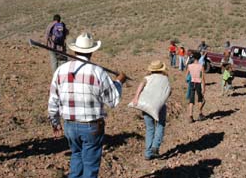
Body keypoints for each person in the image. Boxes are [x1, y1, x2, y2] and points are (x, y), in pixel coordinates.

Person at [48, 32, 127, 178]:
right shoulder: (97, 72)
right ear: (91, 51)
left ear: (75, 50)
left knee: (76, 157)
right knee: (90, 167)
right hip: (91, 126)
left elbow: (53, 100)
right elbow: (113, 101)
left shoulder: (61, 70)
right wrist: (118, 82)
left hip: (70, 125)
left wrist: (55, 121)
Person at [131, 60, 170, 160]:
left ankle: (148, 154)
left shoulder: (147, 78)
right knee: (160, 125)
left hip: (147, 106)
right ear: (161, 69)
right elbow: (169, 91)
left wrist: (136, 98)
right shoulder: (165, 78)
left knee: (150, 128)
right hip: (160, 106)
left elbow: (141, 85)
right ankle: (155, 146)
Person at [184, 52, 206, 123]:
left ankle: (190, 116)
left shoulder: (189, 66)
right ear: (199, 58)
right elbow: (202, 78)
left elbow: (186, 76)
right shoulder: (201, 66)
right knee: (200, 99)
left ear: (193, 58)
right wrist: (204, 87)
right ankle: (200, 114)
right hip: (198, 83)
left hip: (191, 83)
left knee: (191, 100)